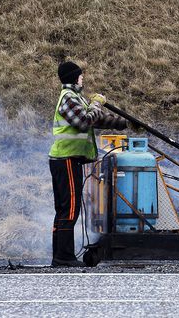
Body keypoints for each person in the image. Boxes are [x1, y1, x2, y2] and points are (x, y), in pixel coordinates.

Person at [48, 61, 128, 267]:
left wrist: (124, 124)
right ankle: (63, 257)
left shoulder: (75, 98)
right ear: (75, 77)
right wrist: (96, 103)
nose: (83, 78)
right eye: (81, 76)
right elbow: (84, 121)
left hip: (68, 160)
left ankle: (60, 256)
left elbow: (96, 119)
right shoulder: (68, 98)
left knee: (65, 209)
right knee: (70, 209)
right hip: (65, 159)